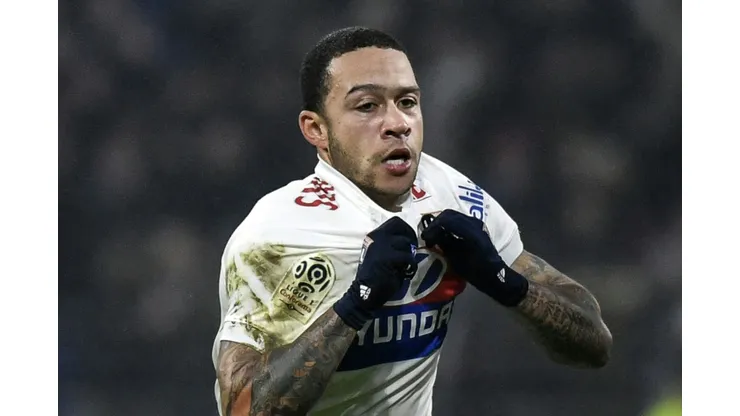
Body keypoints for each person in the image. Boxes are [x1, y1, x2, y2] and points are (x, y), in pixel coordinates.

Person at [211, 26, 613, 416]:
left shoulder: (451, 193)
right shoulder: (276, 235)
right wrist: (356, 305)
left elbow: (594, 343)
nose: (397, 123)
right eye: (367, 106)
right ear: (316, 129)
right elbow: (243, 410)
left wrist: (502, 280)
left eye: (407, 102)